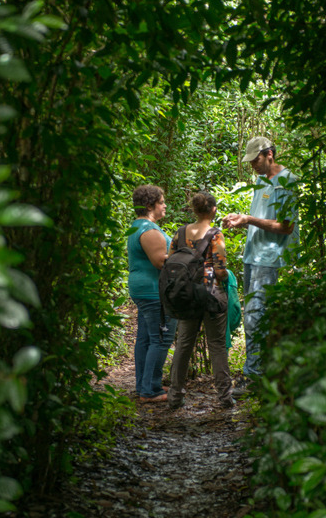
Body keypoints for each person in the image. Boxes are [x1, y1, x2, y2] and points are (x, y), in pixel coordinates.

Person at [222, 136, 299, 390]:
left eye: (256, 160)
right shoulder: (260, 179)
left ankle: (254, 375)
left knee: (256, 315)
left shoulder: (286, 181)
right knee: (252, 315)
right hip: (252, 254)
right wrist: (239, 218)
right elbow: (259, 215)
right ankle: (261, 369)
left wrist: (249, 220)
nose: (253, 165)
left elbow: (286, 228)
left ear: (269, 154)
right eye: (250, 161)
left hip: (270, 257)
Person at [167, 191, 235, 411]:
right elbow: (220, 269)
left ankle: (175, 396)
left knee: (184, 344)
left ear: (194, 210)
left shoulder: (179, 233)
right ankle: (225, 397)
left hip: (186, 296)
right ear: (213, 210)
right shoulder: (216, 234)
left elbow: (170, 262)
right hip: (211, 294)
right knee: (216, 346)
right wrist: (226, 277)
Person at [127, 185, 178, 403]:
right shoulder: (149, 230)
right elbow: (161, 262)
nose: (165, 205)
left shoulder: (138, 226)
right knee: (161, 338)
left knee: (147, 338)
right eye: (161, 202)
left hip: (144, 289)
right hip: (153, 292)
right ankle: (150, 390)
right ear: (150, 206)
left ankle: (146, 385)